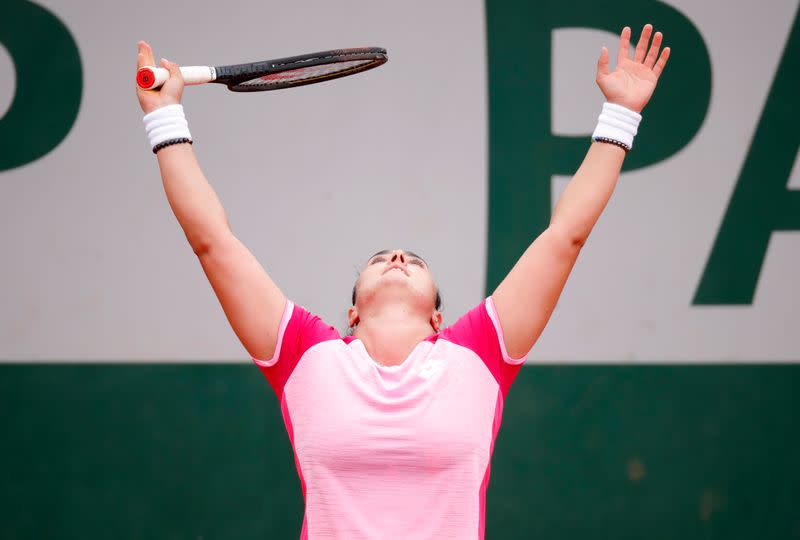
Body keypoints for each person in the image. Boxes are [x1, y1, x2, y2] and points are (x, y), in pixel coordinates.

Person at [136, 24, 669, 539]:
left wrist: (620, 115)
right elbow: (213, 243)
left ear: (439, 317)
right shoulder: (303, 353)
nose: (396, 256)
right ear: (350, 314)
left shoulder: (481, 352)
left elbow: (564, 237)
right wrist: (165, 119)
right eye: (381, 257)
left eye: (413, 258)